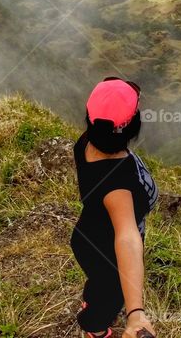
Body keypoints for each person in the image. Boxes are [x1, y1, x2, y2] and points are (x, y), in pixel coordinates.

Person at [71, 77, 159, 338]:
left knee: (98, 283)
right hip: (108, 254)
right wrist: (135, 314)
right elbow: (127, 237)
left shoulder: (86, 142)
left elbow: (107, 120)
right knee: (110, 296)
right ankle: (94, 328)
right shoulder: (117, 186)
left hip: (88, 234)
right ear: (134, 127)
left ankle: (92, 298)